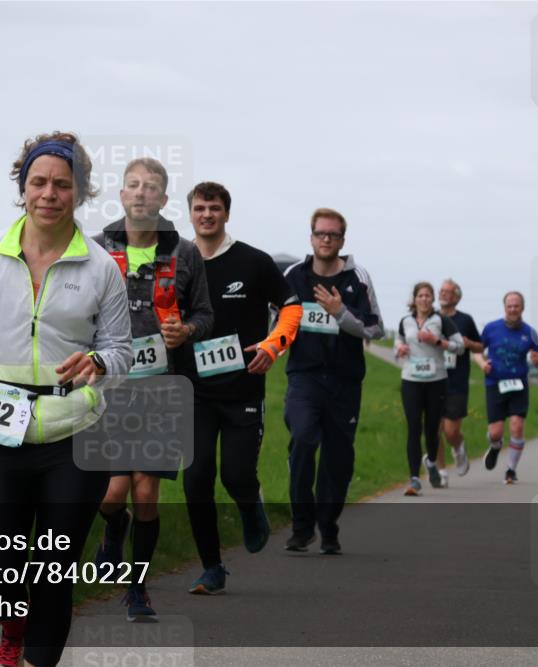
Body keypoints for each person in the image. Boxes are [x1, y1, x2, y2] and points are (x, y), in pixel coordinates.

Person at [0, 131, 132, 667]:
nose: (49, 193)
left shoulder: (100, 268)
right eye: (38, 182)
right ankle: (10, 617)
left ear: (81, 192)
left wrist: (101, 363)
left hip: (75, 433)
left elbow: (120, 347)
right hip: (2, 428)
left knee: (55, 564)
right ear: (22, 188)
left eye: (62, 185)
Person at [92, 157, 214, 621]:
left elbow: (205, 314)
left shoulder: (184, 253)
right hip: (111, 387)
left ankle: (138, 589)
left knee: (145, 494)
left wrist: (188, 331)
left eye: (151, 188)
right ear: (121, 195)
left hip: (162, 389)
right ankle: (110, 533)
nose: (141, 193)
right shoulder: (97, 249)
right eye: (132, 186)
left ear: (164, 200)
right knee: (111, 495)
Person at [180, 182, 302, 592]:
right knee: (196, 477)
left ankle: (251, 507)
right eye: (199, 208)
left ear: (226, 213)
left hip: (242, 390)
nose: (207, 215)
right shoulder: (178, 263)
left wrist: (274, 344)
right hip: (193, 391)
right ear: (191, 214)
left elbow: (291, 305)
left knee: (235, 477)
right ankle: (212, 567)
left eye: (214, 208)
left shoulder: (253, 262)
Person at [283, 208, 384, 554]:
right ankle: (300, 526)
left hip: (344, 381)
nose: (326, 240)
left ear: (342, 240)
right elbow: (278, 322)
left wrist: (340, 313)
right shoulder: (294, 277)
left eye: (333, 235)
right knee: (303, 439)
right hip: (304, 378)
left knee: (338, 459)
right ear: (311, 237)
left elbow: (375, 329)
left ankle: (328, 526)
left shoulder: (358, 278)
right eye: (320, 233)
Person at [394, 282, 466, 496]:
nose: (424, 299)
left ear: (432, 300)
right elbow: (397, 342)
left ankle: (432, 462)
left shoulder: (441, 321)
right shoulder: (405, 321)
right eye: (421, 295)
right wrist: (400, 348)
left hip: (436, 381)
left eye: (428, 296)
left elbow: (460, 346)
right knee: (414, 428)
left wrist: (436, 341)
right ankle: (414, 478)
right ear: (414, 299)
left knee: (432, 429)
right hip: (410, 380)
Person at [473, 291, 538, 484]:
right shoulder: (491, 328)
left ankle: (511, 471)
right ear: (505, 308)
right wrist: (482, 363)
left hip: (519, 385)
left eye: (516, 306)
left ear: (522, 308)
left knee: (517, 426)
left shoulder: (530, 333)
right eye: (509, 306)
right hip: (495, 384)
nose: (513, 309)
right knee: (495, 432)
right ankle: (495, 446)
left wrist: (537, 361)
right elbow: (477, 351)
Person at [435, 279, 483, 486]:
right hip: (432, 380)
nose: (444, 294)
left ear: (456, 297)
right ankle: (441, 471)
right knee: (433, 430)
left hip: (456, 382)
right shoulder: (431, 318)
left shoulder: (465, 320)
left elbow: (480, 347)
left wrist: (469, 343)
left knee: (450, 431)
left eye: (448, 292)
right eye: (442, 291)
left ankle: (459, 446)